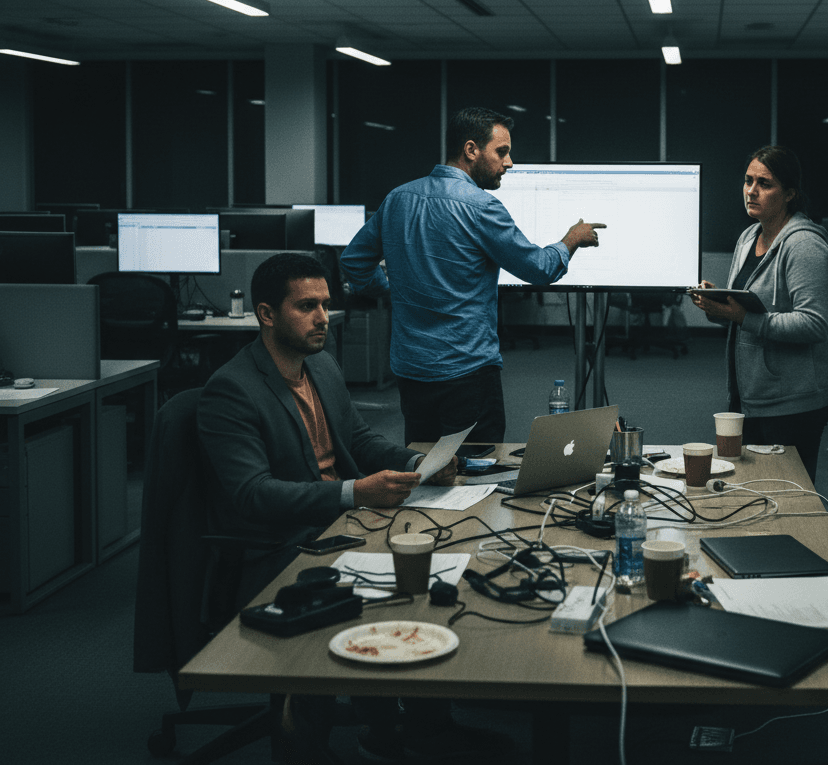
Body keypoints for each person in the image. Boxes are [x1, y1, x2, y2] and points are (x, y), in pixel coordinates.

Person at [198, 252, 461, 762]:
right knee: (393, 591)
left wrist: (418, 461)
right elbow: (253, 493)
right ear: (267, 314)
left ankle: (418, 729)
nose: (323, 317)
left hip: (342, 523)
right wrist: (353, 493)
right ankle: (321, 737)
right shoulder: (232, 389)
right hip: (276, 547)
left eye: (325, 303)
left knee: (435, 569)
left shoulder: (319, 363)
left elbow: (357, 439)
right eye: (307, 306)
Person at [340, 106, 605, 445]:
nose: (509, 163)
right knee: (477, 469)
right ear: (470, 150)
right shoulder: (481, 207)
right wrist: (572, 239)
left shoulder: (397, 198)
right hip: (466, 371)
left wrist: (390, 290)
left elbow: (353, 262)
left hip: (411, 370)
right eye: (502, 152)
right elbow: (539, 268)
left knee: (425, 465)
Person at [690, 146, 828, 483]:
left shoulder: (803, 245)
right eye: (748, 181)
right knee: (755, 489)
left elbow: (815, 323)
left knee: (787, 495)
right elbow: (742, 309)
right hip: (753, 394)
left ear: (789, 194)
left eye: (765, 183)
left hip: (794, 400)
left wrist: (745, 318)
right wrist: (716, 305)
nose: (751, 191)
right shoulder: (749, 236)